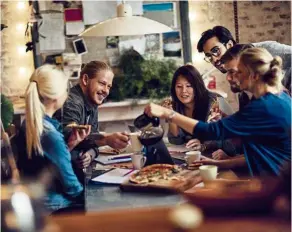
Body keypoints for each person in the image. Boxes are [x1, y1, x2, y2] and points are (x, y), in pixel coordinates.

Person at [144, 48, 291, 177]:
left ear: (254, 76)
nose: (231, 77)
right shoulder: (279, 97)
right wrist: (219, 164)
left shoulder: (263, 107)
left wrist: (167, 113)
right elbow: (259, 153)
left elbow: (210, 131)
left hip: (280, 188)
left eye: (238, 72)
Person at [17, 65, 88, 213]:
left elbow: (43, 165)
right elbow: (73, 188)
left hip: (36, 203)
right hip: (55, 208)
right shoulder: (50, 135)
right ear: (56, 96)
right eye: (65, 89)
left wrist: (69, 145)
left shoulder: (31, 124)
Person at [54, 61, 129, 174]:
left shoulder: (91, 102)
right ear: (85, 80)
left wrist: (90, 154)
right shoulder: (72, 101)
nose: (106, 91)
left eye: (109, 86)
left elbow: (92, 139)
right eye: (102, 83)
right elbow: (71, 137)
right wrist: (107, 139)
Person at [166, 64, 237, 156]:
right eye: (179, 86)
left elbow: (226, 139)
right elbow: (175, 140)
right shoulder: (174, 105)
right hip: (197, 156)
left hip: (226, 156)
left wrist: (203, 144)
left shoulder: (214, 101)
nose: (183, 91)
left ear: (197, 86)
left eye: (189, 86)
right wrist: (170, 115)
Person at [197, 26, 291, 93]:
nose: (214, 59)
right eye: (209, 56)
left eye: (216, 51)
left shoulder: (269, 49)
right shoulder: (240, 79)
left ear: (229, 45)